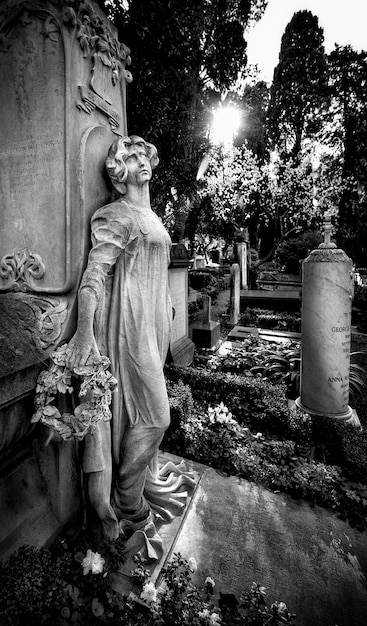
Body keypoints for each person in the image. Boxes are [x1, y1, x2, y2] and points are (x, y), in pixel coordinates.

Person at [67, 135, 193, 548]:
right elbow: (94, 275)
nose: (143, 163)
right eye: (133, 157)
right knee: (157, 416)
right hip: (130, 329)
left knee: (147, 414)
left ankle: (138, 488)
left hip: (155, 325)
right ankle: (126, 499)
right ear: (120, 173)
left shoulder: (152, 217)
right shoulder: (115, 216)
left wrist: (170, 313)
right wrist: (85, 330)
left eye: (145, 157)